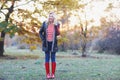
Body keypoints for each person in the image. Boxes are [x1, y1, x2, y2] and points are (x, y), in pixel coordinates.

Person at [39, 12, 60, 79]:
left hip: (53, 44)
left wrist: (56, 26)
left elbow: (58, 33)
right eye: (50, 16)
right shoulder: (45, 23)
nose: (50, 17)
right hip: (46, 44)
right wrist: (43, 39)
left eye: (52, 16)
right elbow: (40, 32)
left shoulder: (57, 24)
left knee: (53, 59)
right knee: (47, 59)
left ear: (54, 17)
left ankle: (53, 74)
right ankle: (48, 74)